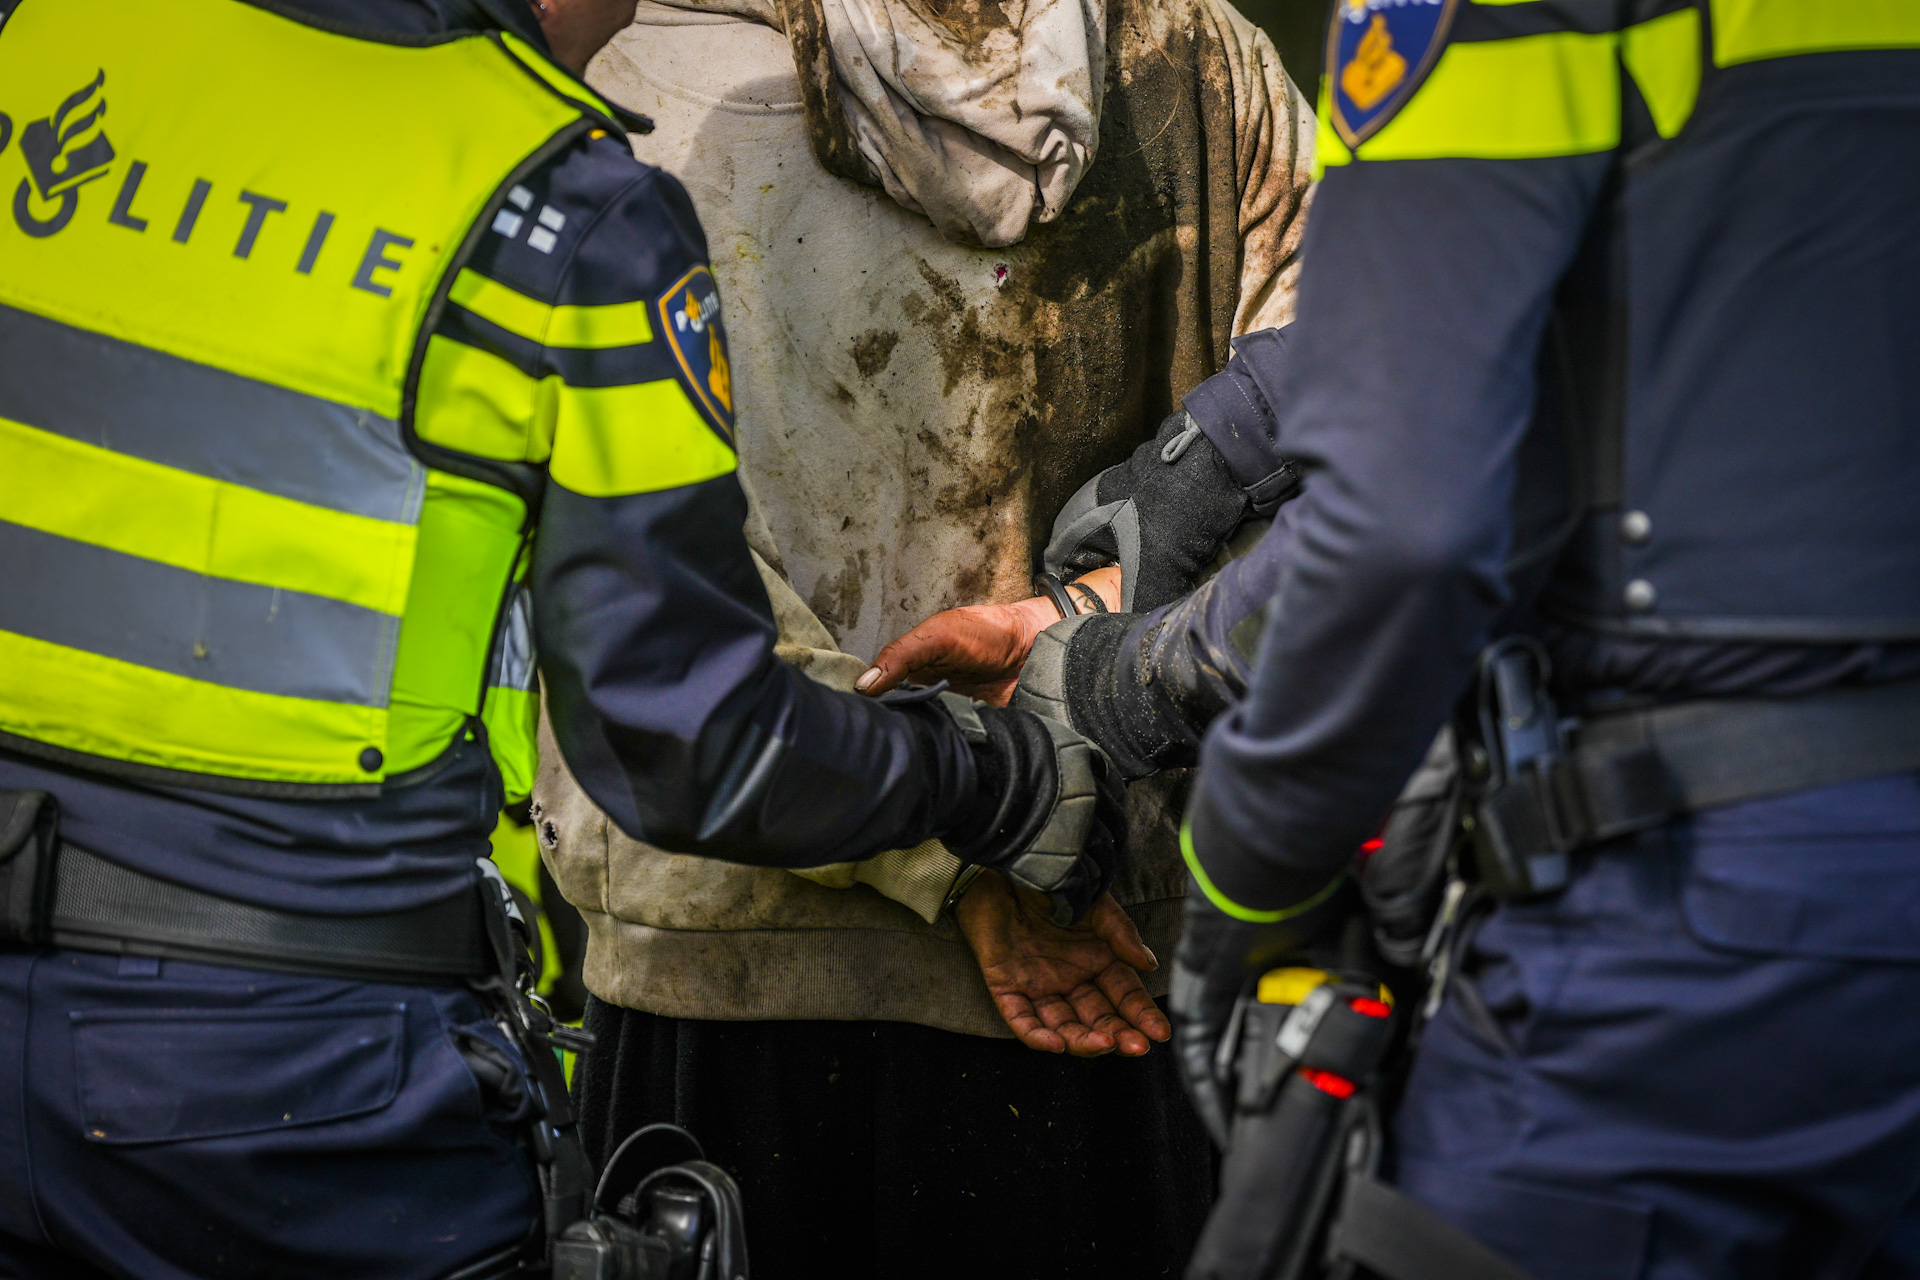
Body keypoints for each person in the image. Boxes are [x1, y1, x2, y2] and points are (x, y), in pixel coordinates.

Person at [0, 0, 1124, 1274]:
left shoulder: (41, 48)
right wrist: (997, 782)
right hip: (299, 1093)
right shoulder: (562, 206)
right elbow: (690, 743)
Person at [877, 2, 1920, 1275]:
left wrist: (1214, 818)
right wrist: (1233, 438)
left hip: (1681, 925)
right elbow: (1721, 254)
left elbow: (1404, 536)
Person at [537, 0, 1316, 1272]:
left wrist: (940, 841)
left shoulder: (621, 85)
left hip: (728, 963)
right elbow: (1381, 426)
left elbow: (644, 606)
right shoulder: (1204, 64)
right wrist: (1095, 650)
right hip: (1116, 962)